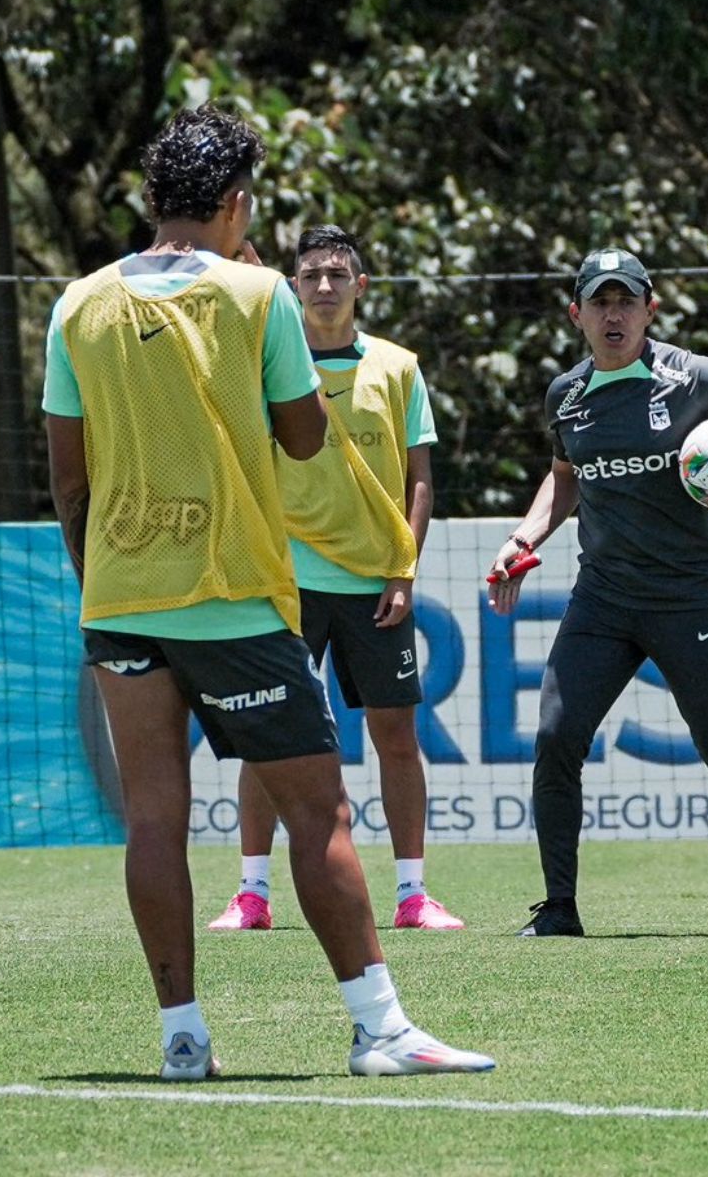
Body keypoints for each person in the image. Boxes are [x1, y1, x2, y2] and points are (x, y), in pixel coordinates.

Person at [44, 105, 493, 1080]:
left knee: (156, 819)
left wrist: (102, 583)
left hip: (120, 596)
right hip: (235, 595)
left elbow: (67, 477)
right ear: (237, 204)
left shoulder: (77, 304)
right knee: (319, 814)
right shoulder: (257, 297)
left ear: (152, 197)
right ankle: (380, 1030)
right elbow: (300, 437)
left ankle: (182, 1040)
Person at [487, 247, 708, 938]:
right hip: (603, 600)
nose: (614, 314)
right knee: (555, 736)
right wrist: (524, 540)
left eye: (626, 300)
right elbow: (565, 477)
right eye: (600, 302)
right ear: (576, 314)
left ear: (650, 310)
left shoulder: (695, 378)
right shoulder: (566, 396)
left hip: (688, 599)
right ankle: (559, 909)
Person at [207, 225, 464, 933]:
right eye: (312, 274)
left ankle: (413, 896)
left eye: (337, 275)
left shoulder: (398, 367)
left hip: (375, 585)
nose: (325, 286)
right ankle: (251, 895)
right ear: (294, 287)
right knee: (267, 737)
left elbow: (419, 481)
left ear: (361, 287)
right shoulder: (268, 365)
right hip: (285, 581)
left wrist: (401, 569)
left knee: (396, 736)